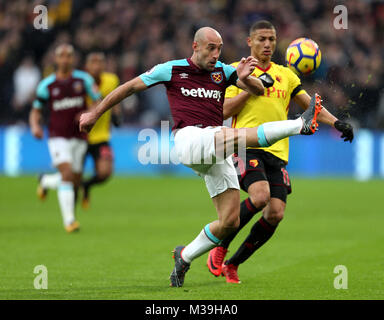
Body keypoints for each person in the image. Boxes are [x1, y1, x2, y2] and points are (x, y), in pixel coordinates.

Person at [79, 27, 322, 287]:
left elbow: (258, 90)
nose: (216, 54)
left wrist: (245, 77)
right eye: (210, 48)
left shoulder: (223, 72)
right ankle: (299, 125)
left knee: (230, 221)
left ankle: (184, 257)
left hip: (214, 151)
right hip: (190, 139)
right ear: (195, 47)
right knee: (229, 135)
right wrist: (94, 113)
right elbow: (128, 88)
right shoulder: (171, 69)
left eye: (219, 48)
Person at [206, 20, 354, 283]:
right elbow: (224, 111)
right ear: (249, 42)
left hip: (277, 153)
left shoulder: (286, 75)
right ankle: (220, 245)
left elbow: (310, 106)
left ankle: (233, 264)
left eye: (272, 40)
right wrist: (252, 87)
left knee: (275, 213)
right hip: (245, 145)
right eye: (261, 39)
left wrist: (337, 122)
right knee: (260, 195)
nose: (267, 44)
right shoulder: (235, 73)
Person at [30, 44, 101, 233]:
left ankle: (45, 181)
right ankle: (70, 221)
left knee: (74, 180)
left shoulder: (83, 80)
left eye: (69, 56)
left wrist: (89, 113)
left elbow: (97, 101)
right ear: (56, 59)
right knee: (68, 174)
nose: (65, 59)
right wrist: (35, 126)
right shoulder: (47, 85)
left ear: (73, 59)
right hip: (57, 136)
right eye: (61, 56)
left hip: (79, 136)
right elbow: (36, 110)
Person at [81, 52, 121, 209]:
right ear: (87, 66)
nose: (97, 66)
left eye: (100, 62)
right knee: (72, 176)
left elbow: (116, 98)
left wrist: (117, 114)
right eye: (93, 62)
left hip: (101, 136)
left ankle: (86, 185)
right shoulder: (80, 82)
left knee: (105, 173)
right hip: (80, 136)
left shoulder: (111, 80)